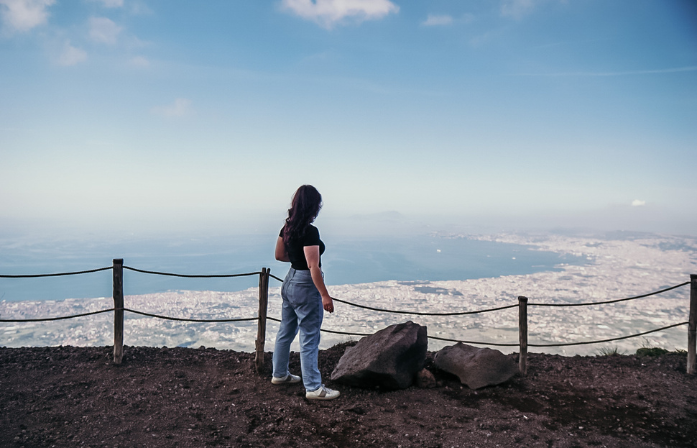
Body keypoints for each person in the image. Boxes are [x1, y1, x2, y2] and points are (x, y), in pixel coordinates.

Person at [271, 185, 340, 400]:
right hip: (305, 284)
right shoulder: (310, 231)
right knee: (310, 337)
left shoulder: (288, 227)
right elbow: (313, 266)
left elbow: (279, 256)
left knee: (286, 331)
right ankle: (313, 388)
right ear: (313, 206)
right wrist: (324, 295)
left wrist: (297, 259)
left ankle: (279, 374)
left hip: (290, 280)